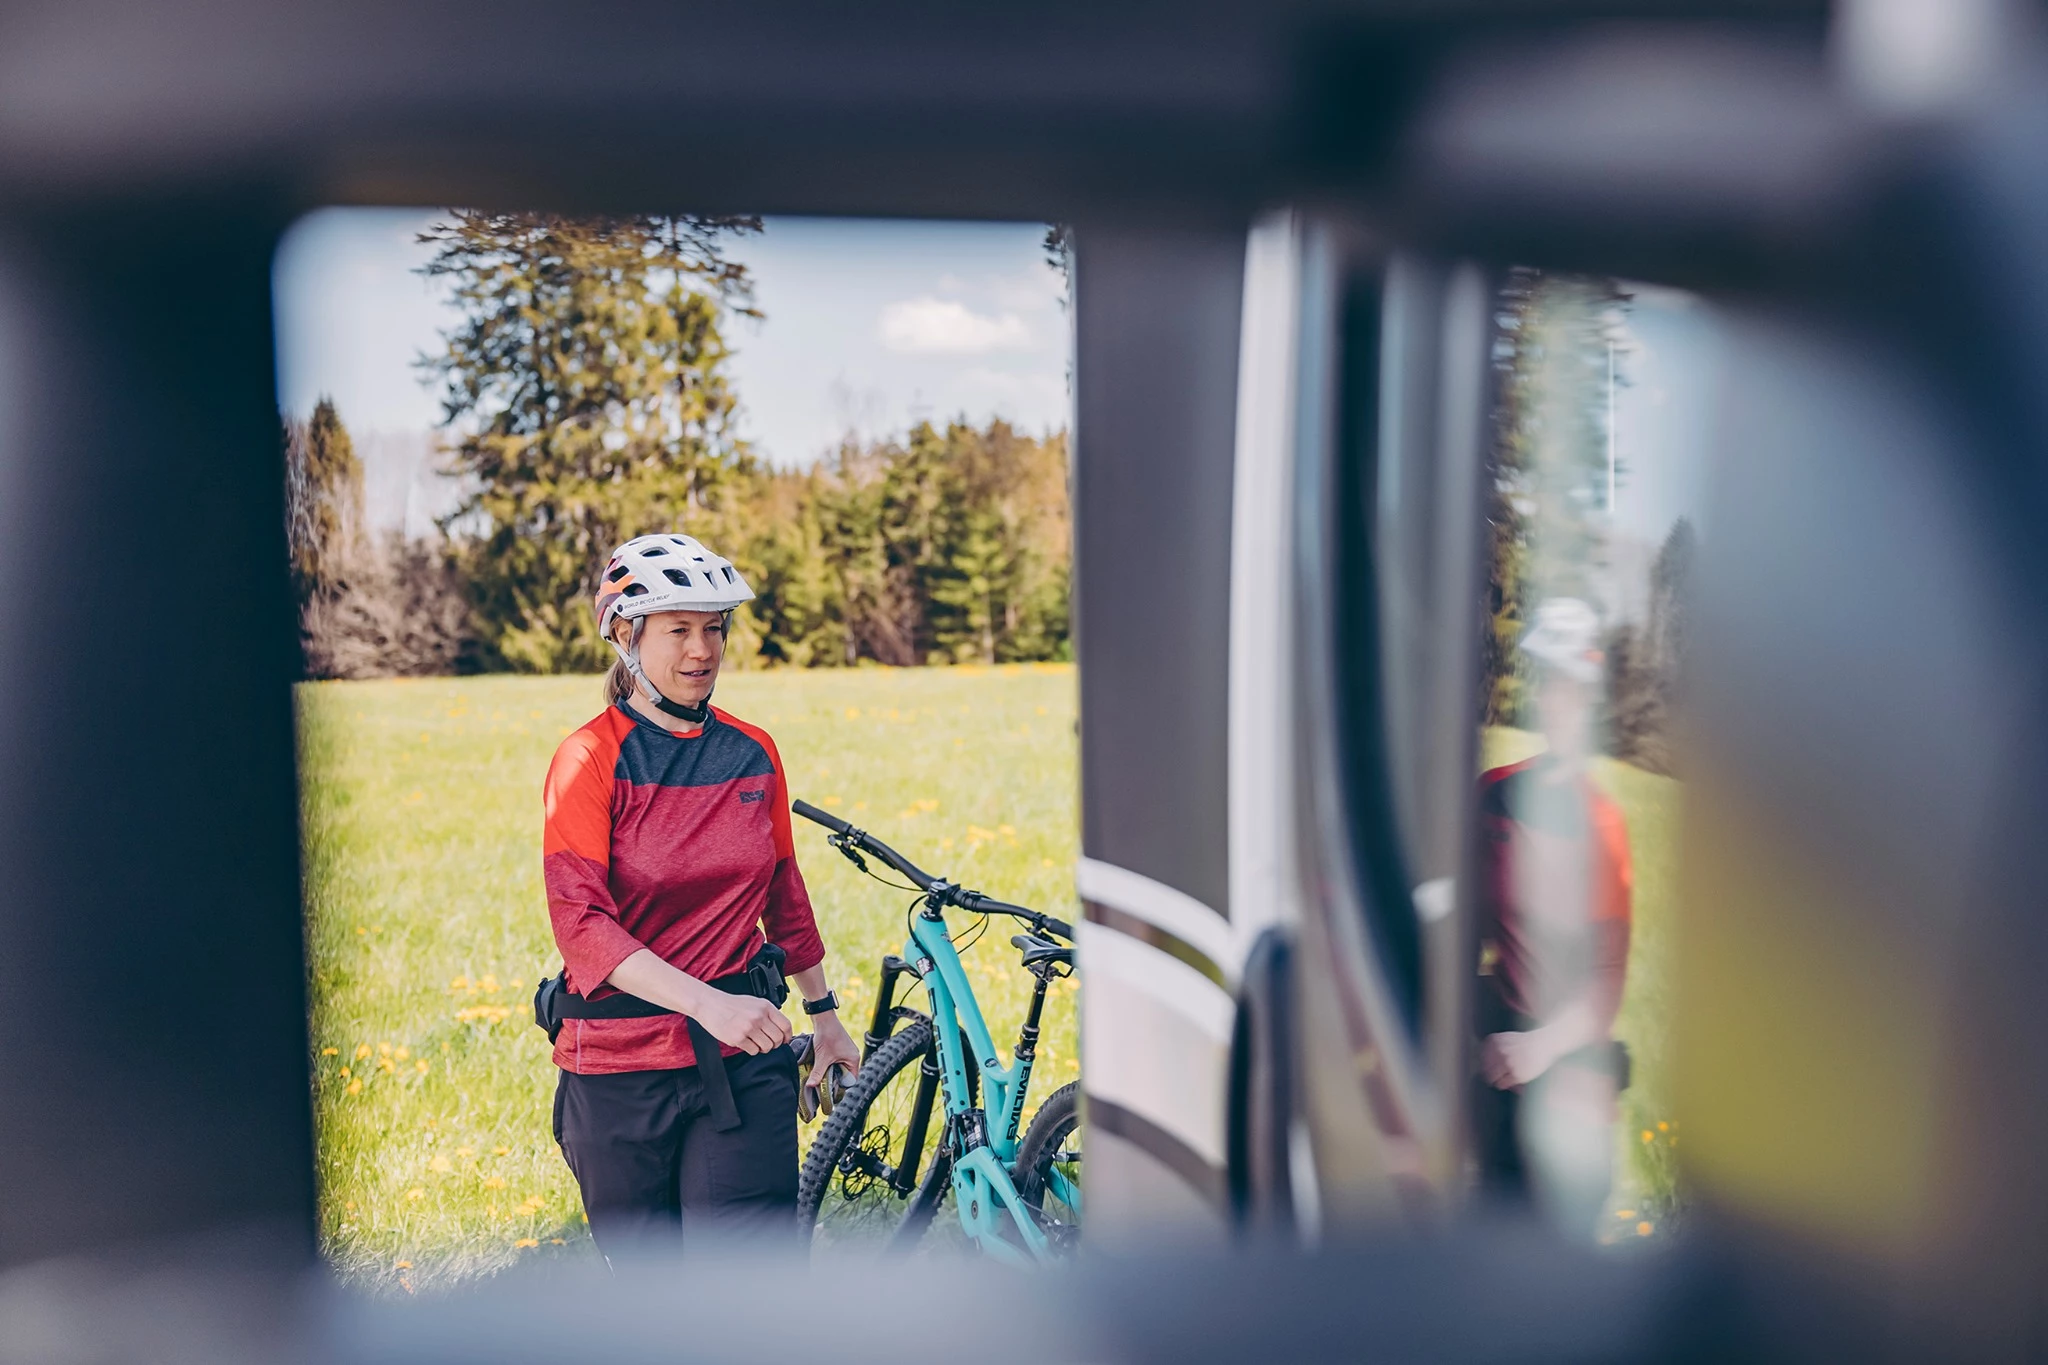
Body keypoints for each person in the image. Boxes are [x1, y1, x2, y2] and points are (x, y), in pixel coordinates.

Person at [538, 533, 861, 1255]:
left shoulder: (753, 751)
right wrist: (705, 1004)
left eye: (713, 628)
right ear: (626, 635)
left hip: (742, 1061)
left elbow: (782, 886)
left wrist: (823, 1012)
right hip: (620, 1071)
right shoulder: (589, 759)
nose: (701, 650)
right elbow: (582, 925)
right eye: (678, 629)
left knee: (749, 1292)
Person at [1473, 596, 1633, 1235]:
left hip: (1566, 1082)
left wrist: (1540, 1048)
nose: (1556, 701)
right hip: (1495, 1064)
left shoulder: (1603, 829)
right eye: (1548, 681)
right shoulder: (1492, 794)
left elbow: (1605, 987)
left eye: (1572, 687)